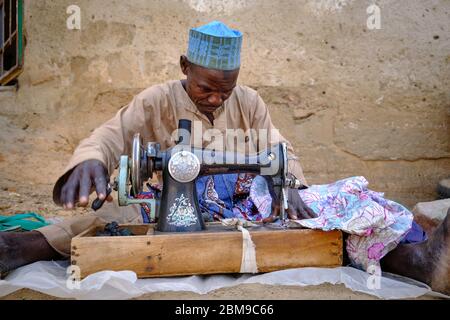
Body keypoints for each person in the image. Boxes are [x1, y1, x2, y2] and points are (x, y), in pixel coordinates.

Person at [0, 21, 448, 294]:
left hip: (244, 205)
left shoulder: (249, 102)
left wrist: (289, 185)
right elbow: (110, 136)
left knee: (334, 210)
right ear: (184, 67)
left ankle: (415, 258)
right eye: (205, 88)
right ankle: (17, 250)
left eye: (225, 90)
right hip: (169, 205)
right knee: (110, 215)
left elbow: (280, 150)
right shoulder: (156, 100)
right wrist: (90, 160)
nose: (216, 98)